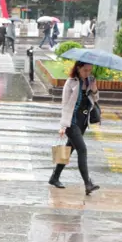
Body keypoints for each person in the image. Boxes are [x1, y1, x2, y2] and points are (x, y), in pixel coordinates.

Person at [50, 61, 100, 195]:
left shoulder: (90, 81)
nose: (87, 73)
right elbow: (65, 105)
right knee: (82, 149)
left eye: (90, 70)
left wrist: (94, 88)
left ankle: (54, 177)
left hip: (83, 122)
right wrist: (63, 126)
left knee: (68, 149)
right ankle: (87, 183)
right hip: (72, 122)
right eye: (85, 70)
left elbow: (95, 99)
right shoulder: (71, 82)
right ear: (78, 68)